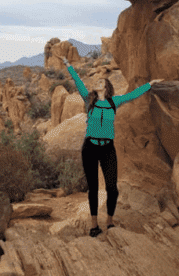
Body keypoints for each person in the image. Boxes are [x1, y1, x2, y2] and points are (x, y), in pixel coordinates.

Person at [61, 56, 160, 238]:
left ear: (106, 87)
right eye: (96, 81)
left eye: (100, 81)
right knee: (92, 187)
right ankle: (93, 225)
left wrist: (150, 84)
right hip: (90, 147)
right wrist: (67, 63)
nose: (96, 83)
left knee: (112, 188)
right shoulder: (88, 99)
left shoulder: (115, 102)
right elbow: (77, 81)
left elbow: (133, 95)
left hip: (107, 148)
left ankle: (110, 221)